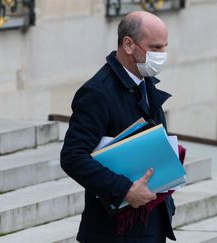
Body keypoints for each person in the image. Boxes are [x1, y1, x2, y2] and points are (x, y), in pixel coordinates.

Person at [60, 11, 176, 243]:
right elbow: (72, 156)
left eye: (164, 47)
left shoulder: (145, 83)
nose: (162, 55)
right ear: (128, 44)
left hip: (149, 222)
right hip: (113, 231)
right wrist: (124, 190)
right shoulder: (98, 92)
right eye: (155, 48)